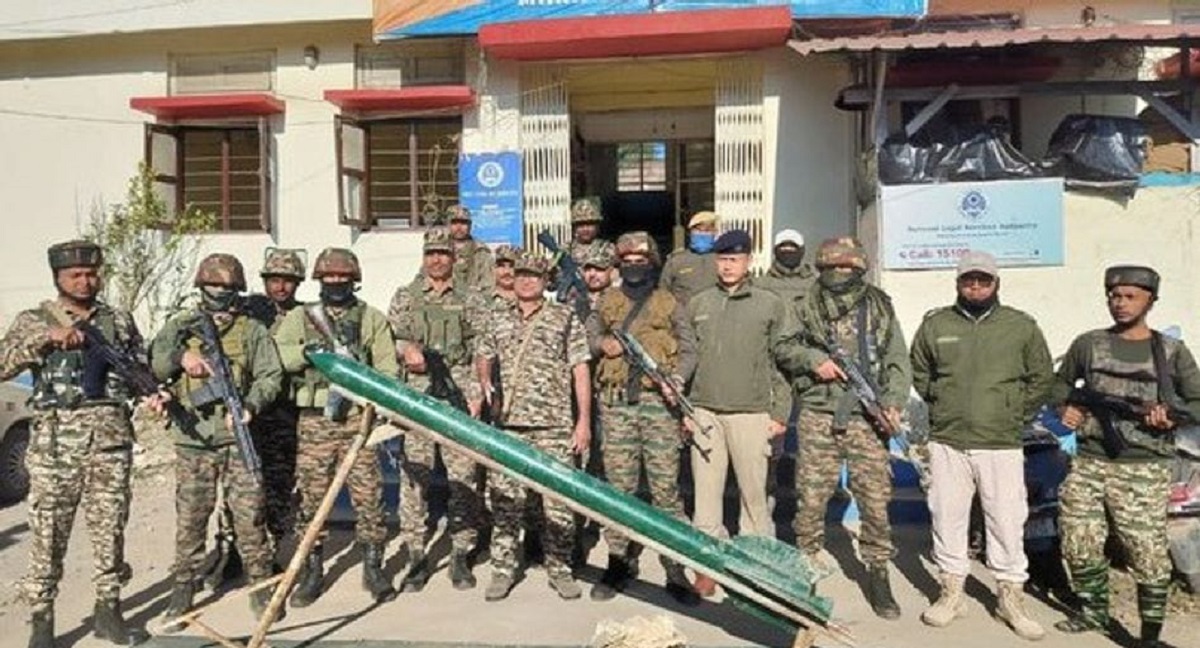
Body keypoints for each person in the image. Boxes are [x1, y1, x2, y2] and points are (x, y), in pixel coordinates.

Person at [1, 240, 149, 648]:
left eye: (91, 274)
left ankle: (109, 611)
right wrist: (46, 338)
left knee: (110, 530)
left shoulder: (118, 320)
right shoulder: (34, 320)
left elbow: (138, 366)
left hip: (110, 444)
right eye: (75, 275)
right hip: (55, 449)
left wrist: (151, 391)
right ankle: (42, 620)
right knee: (48, 534)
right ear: (58, 278)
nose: (85, 281)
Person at [1051, 265, 1200, 647]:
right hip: (1089, 460)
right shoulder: (1088, 344)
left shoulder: (1170, 352)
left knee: (1147, 551)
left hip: (1143, 465)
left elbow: (1197, 401)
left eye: (1131, 296)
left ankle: (1150, 635)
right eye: (1114, 296)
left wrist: (1171, 416)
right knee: (1078, 539)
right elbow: (1059, 384)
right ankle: (1094, 612)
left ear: (1151, 300)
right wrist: (1066, 408)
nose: (1120, 303)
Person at [910, 251, 1053, 640]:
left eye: (983, 280)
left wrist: (1013, 413)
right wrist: (943, 404)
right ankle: (951, 594)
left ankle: (1010, 599)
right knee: (947, 516)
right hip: (949, 439)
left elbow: (1041, 377)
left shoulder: (1020, 327)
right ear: (958, 283)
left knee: (1006, 519)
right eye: (968, 280)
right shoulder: (937, 324)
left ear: (996, 283)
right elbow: (920, 371)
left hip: (1000, 441)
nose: (975, 287)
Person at [151, 253, 284, 629]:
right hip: (193, 439)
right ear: (201, 285)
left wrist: (251, 405)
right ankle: (183, 590)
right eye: (213, 284)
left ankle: (260, 585)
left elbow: (270, 376)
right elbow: (157, 364)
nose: (220, 292)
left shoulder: (252, 330)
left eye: (227, 286)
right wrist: (182, 355)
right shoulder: (181, 325)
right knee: (191, 520)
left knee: (250, 516)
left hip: (236, 439)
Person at [789, 237, 911, 619]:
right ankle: (805, 567)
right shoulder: (805, 304)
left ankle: (878, 571)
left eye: (847, 267)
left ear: (859, 268)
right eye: (832, 267)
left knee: (874, 499)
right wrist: (814, 361)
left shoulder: (878, 305)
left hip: (865, 416)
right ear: (821, 268)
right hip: (819, 414)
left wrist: (893, 402)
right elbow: (783, 347)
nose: (840, 273)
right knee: (811, 498)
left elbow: (896, 357)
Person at [679, 229, 803, 597]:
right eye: (722, 259)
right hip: (705, 412)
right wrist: (686, 409)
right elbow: (688, 358)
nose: (727, 266)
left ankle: (757, 568)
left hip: (751, 412)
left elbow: (783, 362)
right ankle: (706, 567)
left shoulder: (769, 304)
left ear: (748, 260)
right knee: (705, 497)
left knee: (753, 496)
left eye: (734, 259)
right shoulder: (699, 303)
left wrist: (780, 413)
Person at [274, 248, 399, 607]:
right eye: (329, 277)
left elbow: (388, 370)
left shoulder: (371, 318)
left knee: (369, 496)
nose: (335, 282)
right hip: (316, 420)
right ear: (319, 280)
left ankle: (373, 566)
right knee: (312, 498)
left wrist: (366, 386)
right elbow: (279, 356)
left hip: (358, 419)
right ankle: (312, 569)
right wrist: (309, 352)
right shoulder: (301, 318)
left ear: (353, 280)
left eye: (343, 278)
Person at [586, 231, 699, 605]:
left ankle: (675, 567)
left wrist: (676, 379)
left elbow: (689, 349)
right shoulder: (607, 301)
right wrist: (603, 344)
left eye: (641, 260)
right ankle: (619, 562)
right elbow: (588, 337)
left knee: (666, 491)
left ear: (653, 263)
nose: (634, 266)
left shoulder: (670, 303)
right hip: (616, 405)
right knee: (619, 490)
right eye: (627, 261)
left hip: (658, 406)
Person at [476, 251, 592, 601]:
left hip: (554, 425)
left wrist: (583, 422)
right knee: (505, 502)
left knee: (558, 503)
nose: (526, 281)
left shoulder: (563, 316)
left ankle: (560, 569)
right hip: (509, 426)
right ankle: (503, 570)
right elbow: (483, 354)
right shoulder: (497, 316)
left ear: (546, 281)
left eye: (534, 276)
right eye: (521, 275)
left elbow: (580, 369)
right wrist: (484, 380)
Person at [388, 227, 489, 592]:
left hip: (458, 392)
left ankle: (461, 552)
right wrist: (406, 350)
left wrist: (477, 392)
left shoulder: (471, 297)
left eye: (443, 253)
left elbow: (483, 345)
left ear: (453, 257)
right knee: (415, 476)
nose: (437, 260)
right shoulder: (406, 295)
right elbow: (391, 337)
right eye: (431, 253)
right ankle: (416, 553)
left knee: (463, 476)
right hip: (417, 395)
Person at [209, 247, 306, 587]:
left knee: (279, 486)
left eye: (288, 281)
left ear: (297, 283)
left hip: (282, 412)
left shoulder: (304, 316)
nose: (280, 287)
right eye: (274, 280)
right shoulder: (245, 310)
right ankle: (232, 552)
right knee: (238, 488)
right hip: (243, 412)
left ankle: (271, 552)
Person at [659, 211, 720, 306]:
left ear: (714, 232)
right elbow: (663, 293)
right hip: (684, 313)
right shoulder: (676, 260)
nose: (702, 234)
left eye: (707, 231)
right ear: (690, 233)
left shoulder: (723, 259)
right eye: (698, 230)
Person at [445, 205, 495, 291]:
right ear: (448, 225)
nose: (459, 227)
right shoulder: (439, 249)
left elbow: (488, 283)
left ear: (470, 225)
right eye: (455, 223)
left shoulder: (480, 250)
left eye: (463, 223)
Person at [567, 196, 615, 265]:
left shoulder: (608, 248)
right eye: (580, 225)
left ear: (597, 226)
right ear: (574, 227)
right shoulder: (566, 251)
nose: (585, 229)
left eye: (590, 224)